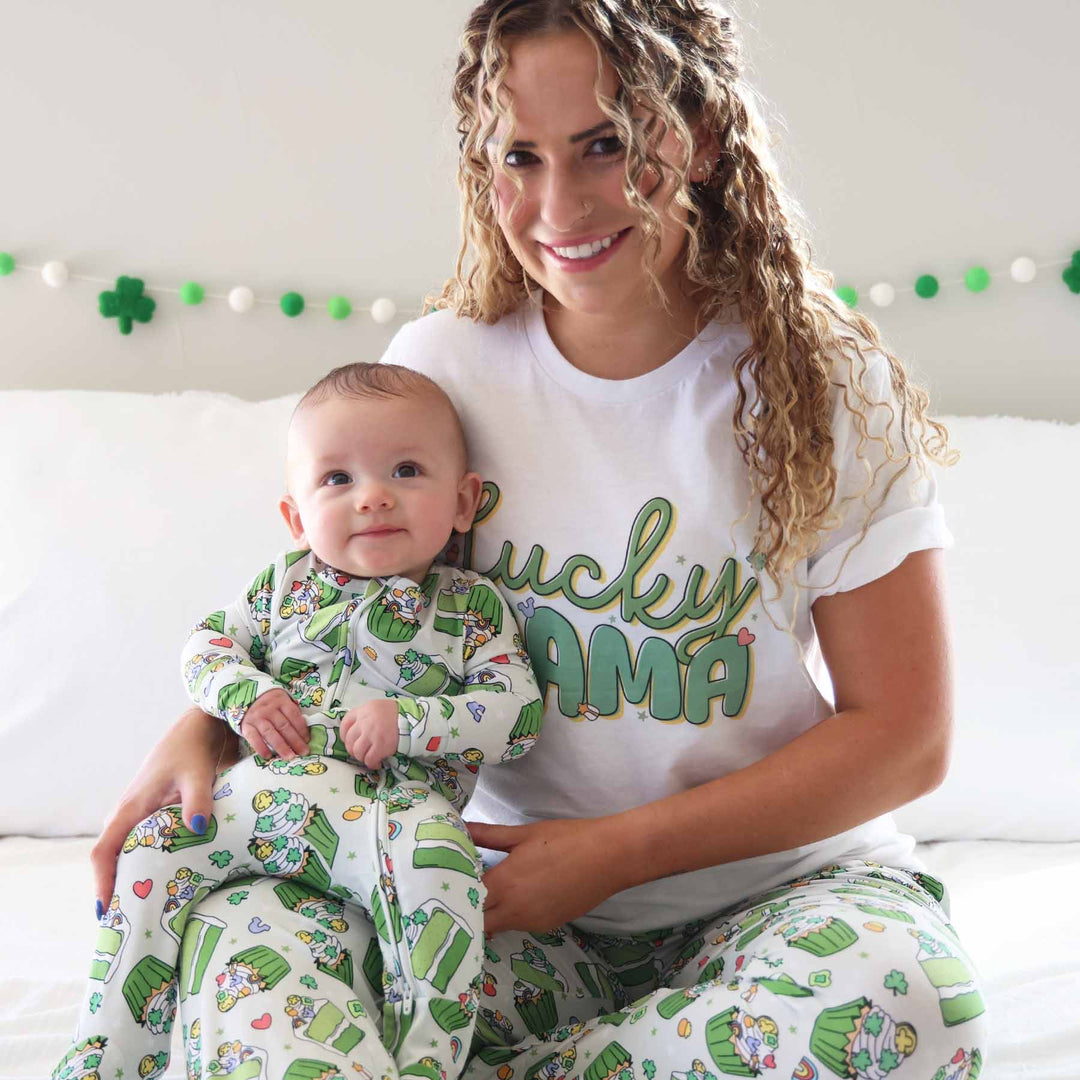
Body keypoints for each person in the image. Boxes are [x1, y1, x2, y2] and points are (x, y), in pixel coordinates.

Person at [86, 2, 991, 1079]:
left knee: (904, 1006)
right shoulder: (447, 365)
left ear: (698, 136)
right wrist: (206, 725)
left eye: (606, 144)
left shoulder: (822, 383)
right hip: (491, 902)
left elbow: (905, 735)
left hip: (779, 898)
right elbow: (349, 585)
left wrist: (613, 856)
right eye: (521, 155)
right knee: (251, 939)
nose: (561, 203)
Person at [56, 363, 542, 1080]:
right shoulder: (282, 585)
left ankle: (425, 1062)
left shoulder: (471, 608)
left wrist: (411, 721)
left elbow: (518, 712)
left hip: (391, 813)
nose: (373, 497)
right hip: (257, 796)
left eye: (406, 470)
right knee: (153, 848)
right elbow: (205, 645)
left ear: (465, 501)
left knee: (443, 876)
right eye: (337, 480)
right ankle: (108, 1057)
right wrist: (243, 694)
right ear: (296, 518)